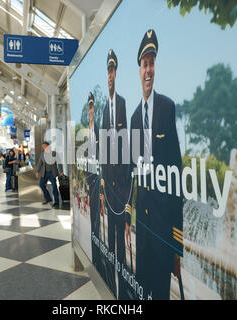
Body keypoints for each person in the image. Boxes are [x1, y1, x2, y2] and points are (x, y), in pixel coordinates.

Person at [129, 29, 184, 300]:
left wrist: (177, 245)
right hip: (144, 230)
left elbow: (177, 176)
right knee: (142, 292)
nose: (149, 69)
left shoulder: (167, 107)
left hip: (163, 233)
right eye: (145, 64)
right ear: (139, 70)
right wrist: (128, 217)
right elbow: (134, 173)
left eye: (152, 63)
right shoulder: (135, 118)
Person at [99, 48, 131, 299]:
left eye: (113, 70)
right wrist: (101, 186)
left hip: (120, 186)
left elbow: (126, 146)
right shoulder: (102, 110)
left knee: (121, 241)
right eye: (108, 70)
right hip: (107, 188)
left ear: (116, 73)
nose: (110, 75)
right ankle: (111, 283)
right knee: (110, 239)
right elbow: (101, 148)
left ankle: (122, 289)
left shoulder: (121, 103)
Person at [85, 92, 102, 274]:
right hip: (90, 182)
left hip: (99, 183)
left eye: (92, 108)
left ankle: (99, 256)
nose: (91, 112)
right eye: (89, 108)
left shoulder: (97, 130)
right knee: (93, 220)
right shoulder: (87, 133)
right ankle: (94, 254)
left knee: (97, 219)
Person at [35, 141, 64, 208]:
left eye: (45, 146)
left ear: (48, 146)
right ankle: (48, 198)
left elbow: (59, 163)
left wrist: (61, 171)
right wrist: (37, 171)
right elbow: (40, 163)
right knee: (41, 184)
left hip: (52, 173)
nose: (44, 148)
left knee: (54, 186)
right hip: (44, 173)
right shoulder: (42, 154)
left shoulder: (54, 153)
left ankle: (56, 201)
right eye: (43, 147)